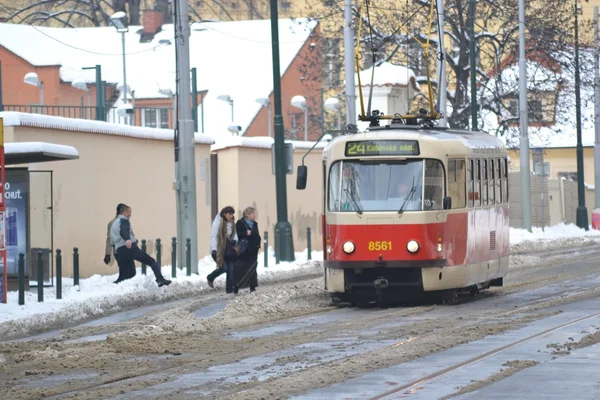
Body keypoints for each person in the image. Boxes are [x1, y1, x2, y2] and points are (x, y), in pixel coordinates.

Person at [110, 204, 172, 287]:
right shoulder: (124, 221)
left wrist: (116, 252)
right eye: (129, 212)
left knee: (127, 274)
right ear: (124, 212)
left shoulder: (114, 223)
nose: (130, 214)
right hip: (130, 248)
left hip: (120, 251)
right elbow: (123, 231)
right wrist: (128, 240)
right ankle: (160, 279)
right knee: (152, 261)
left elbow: (112, 241)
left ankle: (117, 288)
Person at [206, 206, 238, 293]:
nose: (231, 216)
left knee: (231, 269)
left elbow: (234, 233)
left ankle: (229, 291)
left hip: (229, 249)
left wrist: (234, 241)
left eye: (232, 214)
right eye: (229, 214)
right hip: (219, 249)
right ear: (224, 214)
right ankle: (210, 277)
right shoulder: (218, 222)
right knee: (224, 268)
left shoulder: (231, 223)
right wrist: (214, 250)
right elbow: (214, 237)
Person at [104, 203, 135, 284]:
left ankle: (122, 286)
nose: (130, 215)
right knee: (125, 273)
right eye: (128, 212)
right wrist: (108, 254)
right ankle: (117, 286)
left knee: (132, 272)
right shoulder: (113, 223)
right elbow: (109, 239)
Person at [234, 206, 261, 293]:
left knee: (252, 268)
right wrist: (246, 233)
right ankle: (236, 286)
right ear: (247, 215)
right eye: (252, 213)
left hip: (253, 250)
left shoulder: (254, 224)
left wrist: (257, 244)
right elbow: (238, 234)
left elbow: (256, 234)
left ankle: (252, 286)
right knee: (241, 268)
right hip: (244, 251)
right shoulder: (240, 223)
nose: (254, 215)